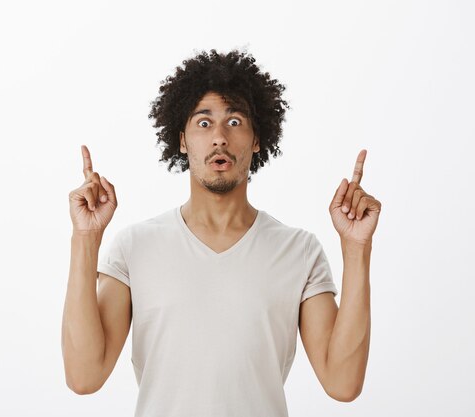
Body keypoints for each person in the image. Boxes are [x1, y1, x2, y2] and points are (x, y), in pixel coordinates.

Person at [61, 49, 382, 417]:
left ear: (257, 139)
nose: (219, 138)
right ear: (181, 141)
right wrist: (85, 239)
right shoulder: (135, 247)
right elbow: (84, 376)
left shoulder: (299, 251)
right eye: (203, 123)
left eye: (234, 122)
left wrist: (357, 248)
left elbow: (342, 383)